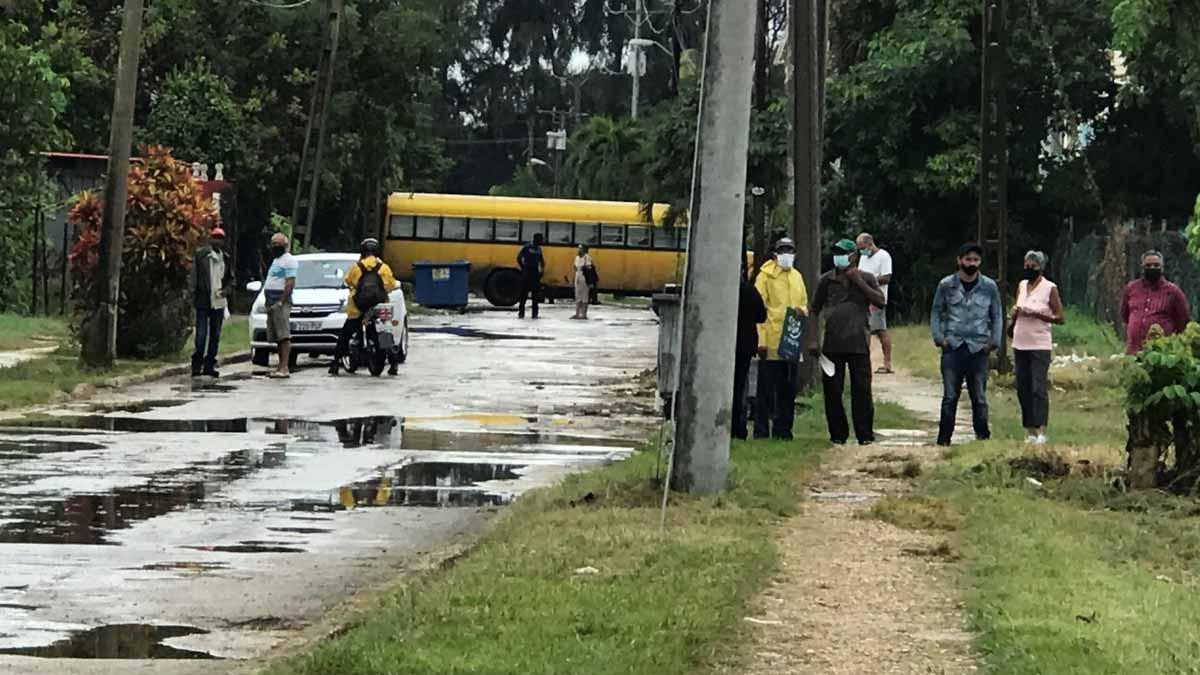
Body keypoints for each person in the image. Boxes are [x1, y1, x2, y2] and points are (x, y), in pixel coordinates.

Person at [808, 239, 886, 446]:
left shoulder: (867, 278)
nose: (838, 257)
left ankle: (865, 435)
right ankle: (838, 435)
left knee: (861, 390)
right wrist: (814, 339)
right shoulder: (826, 280)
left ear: (854, 256)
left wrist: (858, 281)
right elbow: (814, 309)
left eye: (843, 253)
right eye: (836, 253)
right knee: (833, 391)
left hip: (858, 344)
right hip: (832, 345)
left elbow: (880, 301)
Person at [930, 242, 1003, 446]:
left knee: (978, 397)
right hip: (953, 347)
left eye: (976, 260)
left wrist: (993, 342)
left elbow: (996, 315)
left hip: (978, 348)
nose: (972, 263)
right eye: (968, 259)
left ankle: (982, 437)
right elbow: (936, 312)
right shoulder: (946, 285)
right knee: (950, 396)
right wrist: (939, 338)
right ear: (959, 261)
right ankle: (944, 440)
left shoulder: (989, 286)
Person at [753, 237, 809, 441]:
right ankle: (761, 430)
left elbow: (804, 303)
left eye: (790, 251)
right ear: (775, 254)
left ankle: (784, 430)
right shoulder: (765, 277)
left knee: (788, 389)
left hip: (791, 341)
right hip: (770, 340)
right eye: (783, 251)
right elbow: (759, 310)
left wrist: (801, 312)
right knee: (766, 390)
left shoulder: (797, 277)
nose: (787, 255)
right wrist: (760, 341)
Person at [1010, 250, 1064, 445]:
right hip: (1020, 341)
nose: (1028, 268)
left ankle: (1041, 429)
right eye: (1026, 264)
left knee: (1038, 387)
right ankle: (1029, 430)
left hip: (1039, 343)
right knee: (1022, 387)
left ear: (1041, 267)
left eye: (1033, 265)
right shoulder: (1022, 286)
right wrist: (1013, 319)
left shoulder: (1050, 288)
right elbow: (1017, 306)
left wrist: (1036, 313)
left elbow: (1060, 317)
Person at [330, 238, 398, 376]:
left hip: (358, 307)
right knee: (385, 332)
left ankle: (336, 362)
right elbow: (390, 285)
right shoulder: (384, 267)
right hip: (380, 307)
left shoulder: (356, 267)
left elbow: (348, 281)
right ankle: (393, 363)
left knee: (346, 334)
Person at [1119, 250, 1190, 354]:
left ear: (1162, 268)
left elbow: (1183, 320)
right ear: (1142, 267)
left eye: (1156, 265)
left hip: (1161, 353)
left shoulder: (1173, 292)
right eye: (1148, 265)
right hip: (1134, 351)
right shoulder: (1131, 288)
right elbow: (1125, 315)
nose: (1152, 268)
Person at [189, 227, 235, 378]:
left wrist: (226, 291)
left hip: (219, 300)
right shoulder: (202, 255)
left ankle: (210, 365)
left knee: (215, 334)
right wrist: (192, 295)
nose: (217, 241)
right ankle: (196, 365)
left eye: (220, 238)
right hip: (203, 300)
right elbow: (194, 277)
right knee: (201, 334)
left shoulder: (226, 258)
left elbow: (230, 279)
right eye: (215, 237)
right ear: (210, 239)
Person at [734, 252, 768, 440]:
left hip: (724, 347)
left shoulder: (721, 291)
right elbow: (762, 316)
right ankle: (739, 429)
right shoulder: (749, 291)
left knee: (730, 386)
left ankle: (730, 426)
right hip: (745, 345)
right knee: (740, 386)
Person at [855, 232, 894, 374]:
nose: (861, 251)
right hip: (863, 298)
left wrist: (869, 281)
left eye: (862, 247)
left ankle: (887, 362)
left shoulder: (883, 256)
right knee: (865, 330)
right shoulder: (864, 257)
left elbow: (887, 277)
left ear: (870, 244)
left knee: (880, 330)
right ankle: (865, 362)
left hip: (877, 298)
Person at [263, 233, 298, 378]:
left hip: (280, 300)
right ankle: (280, 366)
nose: (275, 247)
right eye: (273, 244)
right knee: (277, 335)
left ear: (285, 245)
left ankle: (284, 367)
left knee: (283, 335)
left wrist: (281, 301)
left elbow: (290, 283)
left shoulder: (288, 260)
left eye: (278, 244)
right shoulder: (276, 260)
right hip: (271, 299)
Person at [517, 233, 545, 319]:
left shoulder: (539, 249)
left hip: (535, 273)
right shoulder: (527, 247)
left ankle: (535, 314)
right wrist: (523, 267)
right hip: (527, 272)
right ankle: (521, 313)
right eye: (540, 240)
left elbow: (542, 261)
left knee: (535, 295)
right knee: (523, 294)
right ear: (535, 239)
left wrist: (541, 271)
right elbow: (518, 258)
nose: (541, 242)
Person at [572, 245, 596, 320]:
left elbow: (589, 268)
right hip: (577, 277)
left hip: (584, 278)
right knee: (577, 296)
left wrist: (583, 268)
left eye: (580, 249)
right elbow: (575, 267)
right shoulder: (577, 257)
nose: (578, 250)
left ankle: (584, 314)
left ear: (584, 250)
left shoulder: (587, 257)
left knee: (584, 296)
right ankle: (577, 313)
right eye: (578, 248)